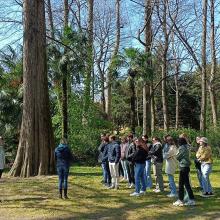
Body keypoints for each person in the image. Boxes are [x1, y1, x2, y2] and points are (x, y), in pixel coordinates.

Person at [173, 138, 195, 206]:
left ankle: (183, 200)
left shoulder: (182, 148)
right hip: (186, 167)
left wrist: (176, 153)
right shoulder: (187, 147)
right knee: (186, 184)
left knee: (182, 184)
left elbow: (177, 157)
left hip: (183, 167)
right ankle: (186, 199)